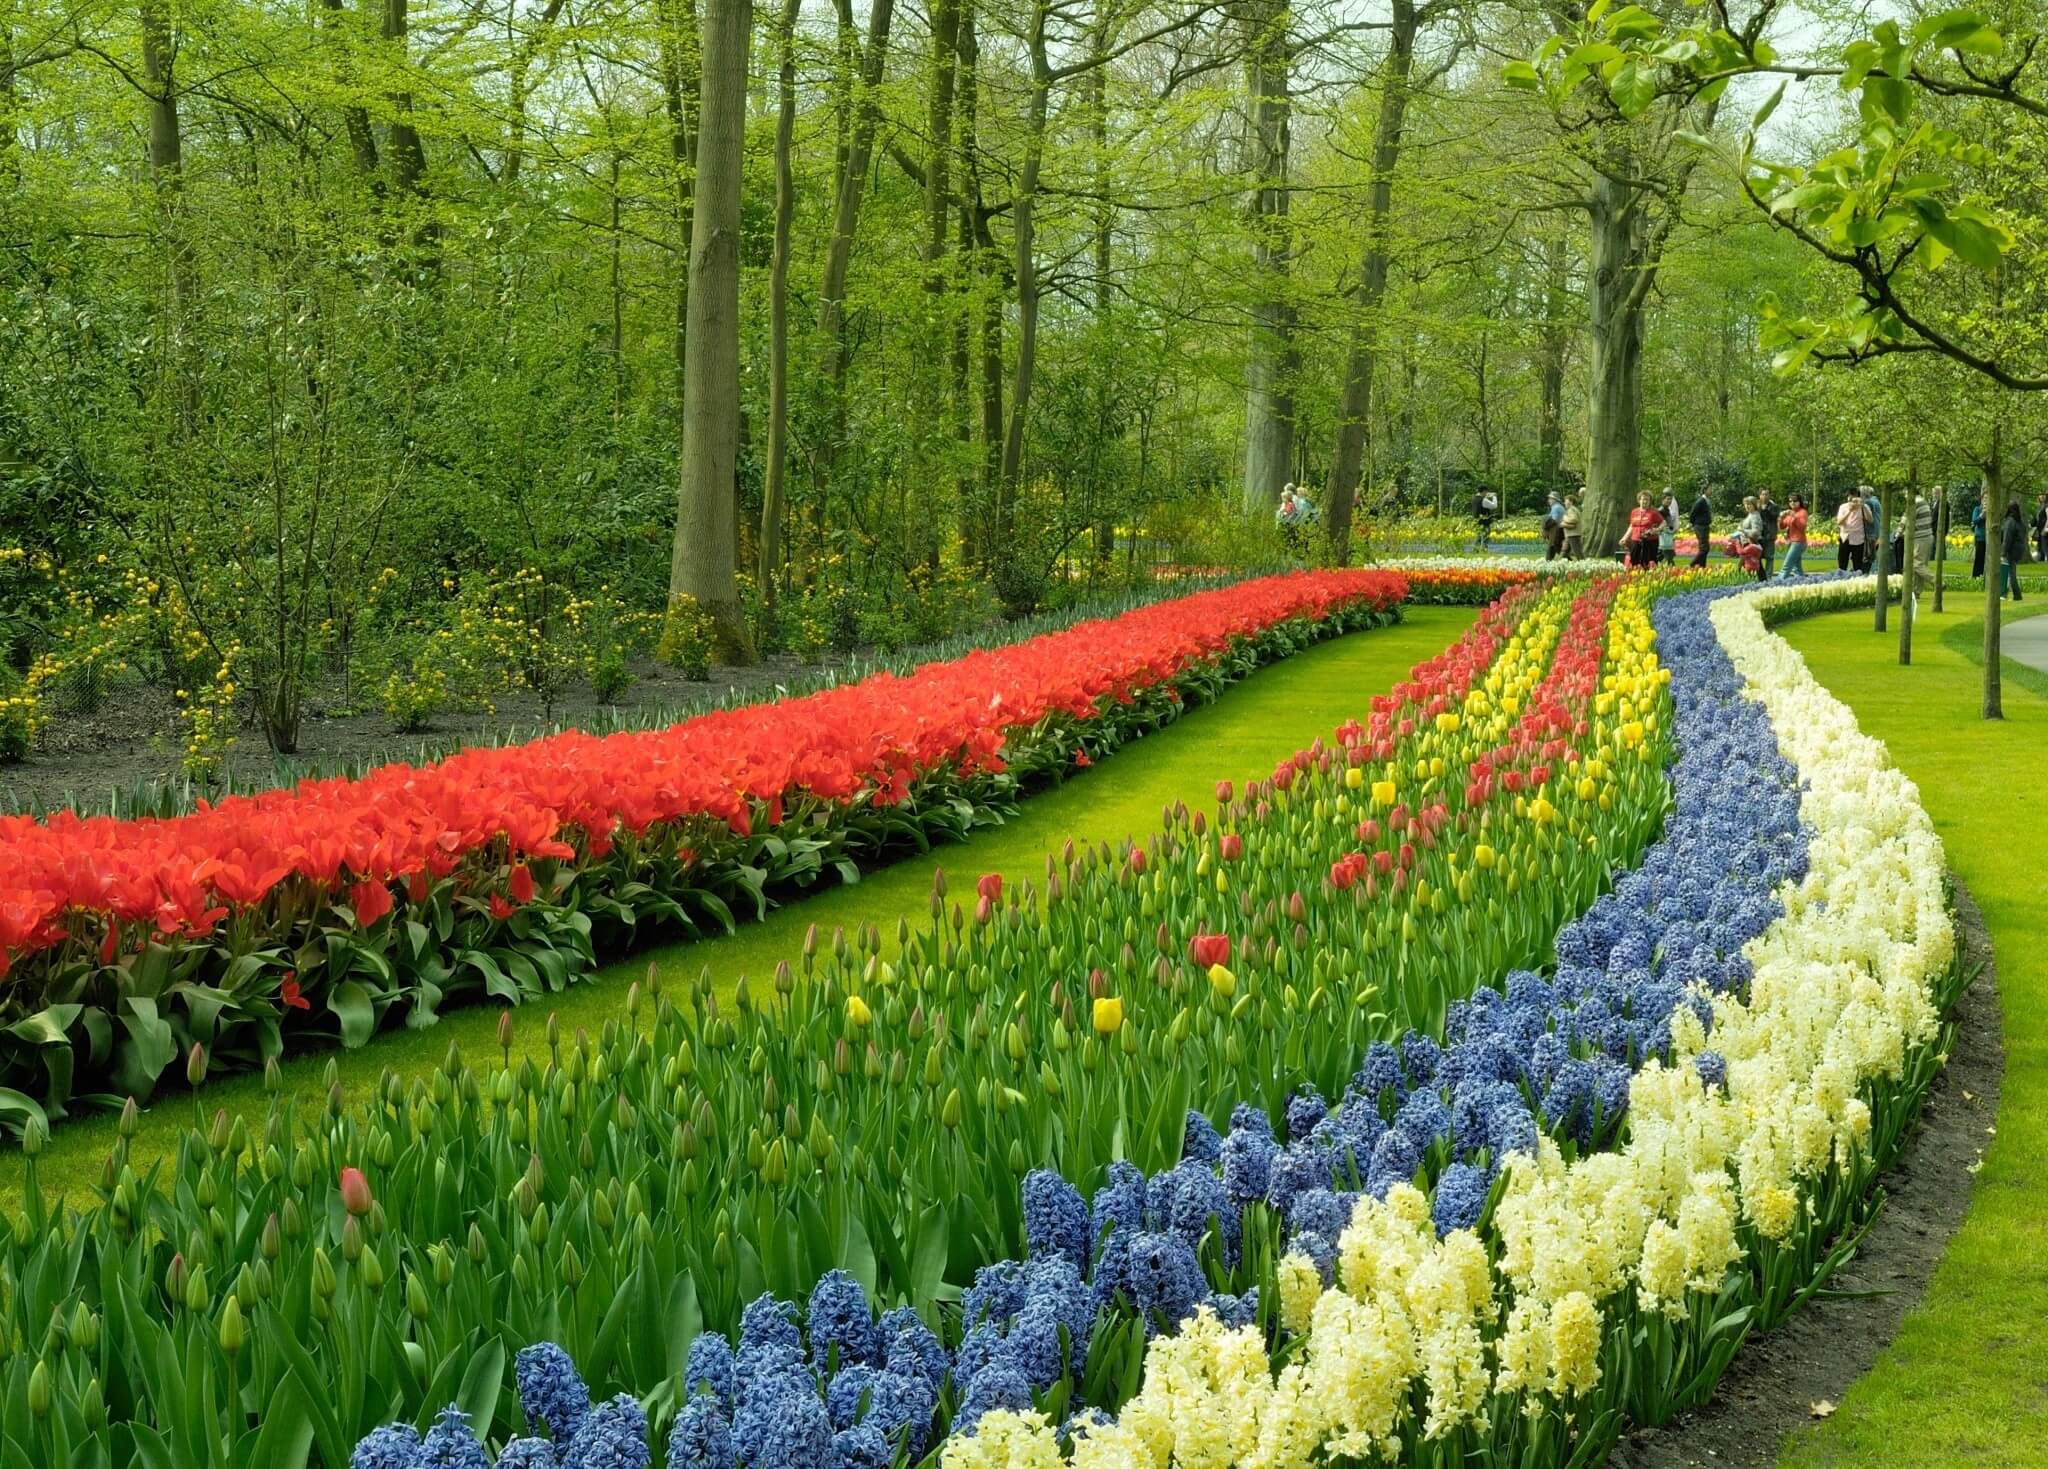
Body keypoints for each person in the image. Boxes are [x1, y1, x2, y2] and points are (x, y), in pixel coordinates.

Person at [1625, 490, 1664, 569]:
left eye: (1647, 499)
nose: (1645, 501)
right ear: (1639, 500)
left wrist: (1658, 529)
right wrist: (1624, 538)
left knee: (1649, 563)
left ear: (1650, 501)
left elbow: (1663, 523)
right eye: (1643, 499)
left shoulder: (1653, 512)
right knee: (1634, 561)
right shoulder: (1634, 512)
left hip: (1650, 541)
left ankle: (1650, 578)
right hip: (1635, 540)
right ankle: (1635, 577)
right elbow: (1632, 526)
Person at [1835, 490, 1869, 572]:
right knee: (1842, 564)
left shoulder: (1863, 507)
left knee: (1858, 565)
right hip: (1845, 537)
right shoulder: (1843, 507)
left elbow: (1870, 520)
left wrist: (1863, 506)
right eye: (1849, 496)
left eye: (1854, 496)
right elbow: (1839, 522)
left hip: (1858, 539)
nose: (1851, 498)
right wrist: (1849, 511)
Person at [2000, 498, 2027, 601]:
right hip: (2018, 549)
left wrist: (2003, 552)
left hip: (2011, 550)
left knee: (2010, 573)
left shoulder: (2009, 522)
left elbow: (2007, 539)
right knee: (2011, 571)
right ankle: (2012, 594)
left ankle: (2015, 594)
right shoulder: (2019, 522)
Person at [1777, 495, 1810, 578]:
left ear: (1799, 502)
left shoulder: (1803, 512)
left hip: (1799, 542)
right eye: (1790, 501)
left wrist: (1794, 516)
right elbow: (1782, 526)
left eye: (1795, 501)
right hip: (1791, 542)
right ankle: (1801, 582)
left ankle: (1778, 583)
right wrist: (1781, 517)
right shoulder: (1790, 512)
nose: (1792, 503)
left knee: (1787, 565)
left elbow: (1802, 527)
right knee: (1797, 568)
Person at [1755, 488, 1779, 584]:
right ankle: (1761, 577)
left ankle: (1768, 578)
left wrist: (1765, 509)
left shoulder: (1774, 507)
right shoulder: (1756, 506)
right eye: (1763, 494)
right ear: (1759, 496)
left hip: (1769, 536)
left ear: (1769, 496)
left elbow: (1773, 516)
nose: (1765, 496)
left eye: (1766, 494)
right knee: (1757, 557)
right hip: (1759, 536)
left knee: (1769, 557)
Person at [1688, 487, 1714, 568]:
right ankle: (1692, 564)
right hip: (1700, 526)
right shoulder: (1701, 501)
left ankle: (1702, 566)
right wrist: (1694, 523)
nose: (1711, 491)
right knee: (1704, 548)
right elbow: (1693, 512)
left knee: (1705, 548)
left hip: (1704, 526)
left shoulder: (1706, 501)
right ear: (1705, 490)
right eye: (1710, 489)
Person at [1542, 491, 1566, 561]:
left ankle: (1548, 561)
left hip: (1556, 532)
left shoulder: (1556, 507)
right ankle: (1568, 560)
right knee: (1557, 548)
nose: (1548, 500)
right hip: (1559, 531)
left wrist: (1545, 526)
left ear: (1554, 500)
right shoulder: (1558, 507)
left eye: (1550, 499)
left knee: (1553, 547)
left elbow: (1554, 520)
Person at [1659, 490, 1680, 563]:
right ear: (1663, 500)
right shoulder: (1661, 511)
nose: (1669, 501)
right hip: (1664, 538)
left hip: (1668, 537)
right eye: (1667, 499)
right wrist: (1671, 531)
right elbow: (1661, 525)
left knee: (1666, 557)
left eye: (1670, 499)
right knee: (1668, 557)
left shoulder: (1666, 509)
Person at [1561, 494, 1584, 560]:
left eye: (1566, 501)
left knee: (1578, 553)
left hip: (1573, 535)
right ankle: (1572, 566)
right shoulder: (1572, 509)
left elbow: (1574, 519)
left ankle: (1584, 566)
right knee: (1564, 554)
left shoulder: (1572, 509)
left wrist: (1564, 519)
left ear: (1571, 502)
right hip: (1570, 535)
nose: (1564, 502)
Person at [1971, 494, 1987, 579]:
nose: (1986, 500)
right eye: (1985, 498)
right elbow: (1974, 521)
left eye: (1988, 498)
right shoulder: (1977, 509)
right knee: (1979, 559)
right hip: (1980, 537)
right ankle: (1976, 576)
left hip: (1989, 539)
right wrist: (1981, 516)